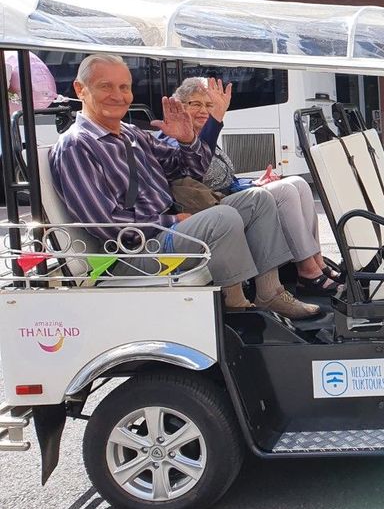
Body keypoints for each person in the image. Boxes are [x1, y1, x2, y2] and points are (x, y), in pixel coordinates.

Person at [49, 54, 321, 320]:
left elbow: (190, 170)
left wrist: (188, 140)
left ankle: (269, 293)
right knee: (222, 217)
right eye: (105, 86)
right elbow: (104, 223)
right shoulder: (77, 145)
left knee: (259, 199)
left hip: (169, 227)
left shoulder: (132, 134)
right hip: (132, 252)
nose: (118, 96)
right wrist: (169, 220)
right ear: (80, 90)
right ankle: (237, 307)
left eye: (124, 87)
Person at [170, 76, 343, 296]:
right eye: (196, 104)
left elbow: (227, 179)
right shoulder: (179, 140)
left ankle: (318, 262)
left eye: (209, 105)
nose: (204, 110)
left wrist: (253, 182)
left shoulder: (204, 139)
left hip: (229, 196)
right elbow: (198, 174)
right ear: (180, 107)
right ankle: (307, 271)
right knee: (285, 191)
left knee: (298, 183)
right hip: (210, 207)